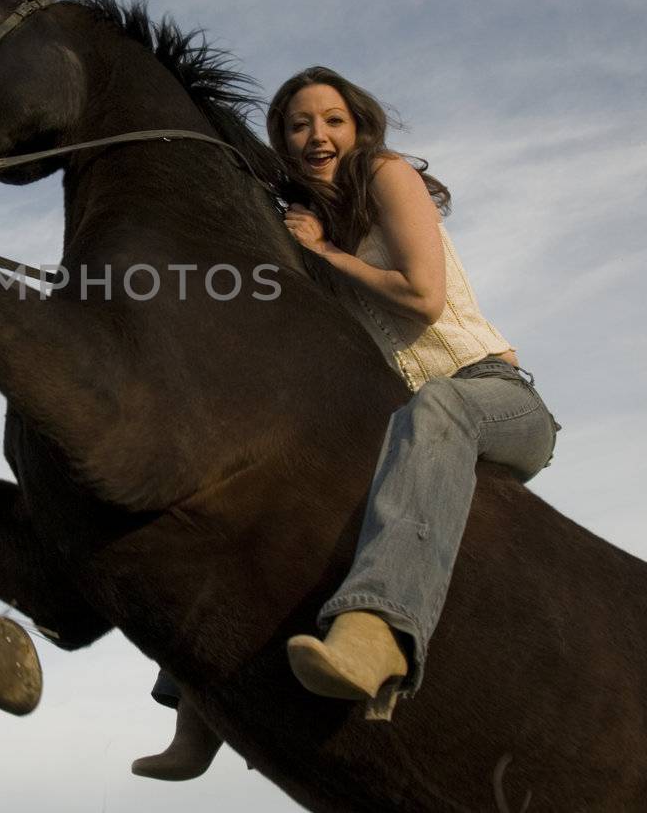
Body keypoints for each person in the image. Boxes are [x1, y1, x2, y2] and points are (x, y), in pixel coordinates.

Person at [132, 66, 559, 780]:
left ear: (357, 126)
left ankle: (380, 633)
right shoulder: (306, 227)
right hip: (410, 426)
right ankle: (199, 701)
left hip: (495, 397)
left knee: (438, 403)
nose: (316, 135)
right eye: (299, 125)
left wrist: (325, 254)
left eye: (331, 119)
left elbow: (423, 297)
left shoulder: (388, 176)